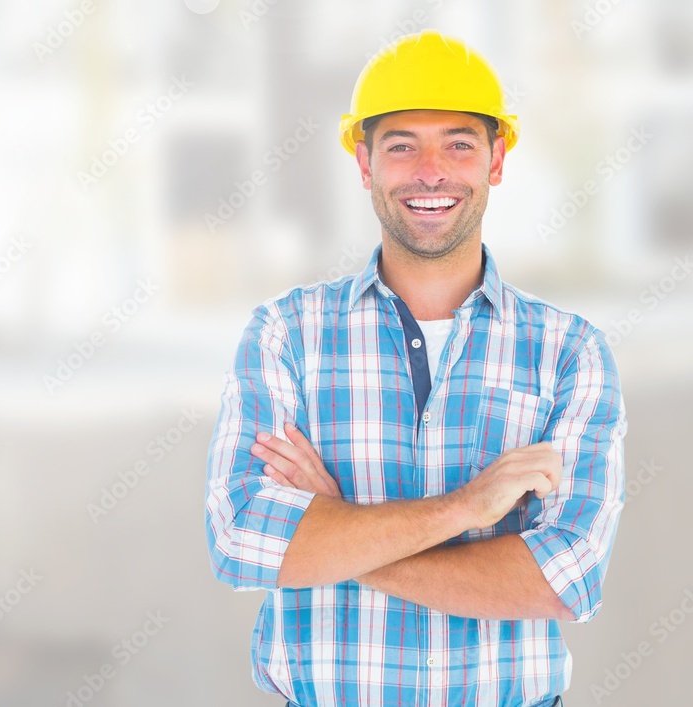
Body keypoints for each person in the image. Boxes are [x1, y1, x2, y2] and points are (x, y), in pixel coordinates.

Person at [204, 30, 625, 707]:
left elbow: (564, 580)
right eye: (402, 145)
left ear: (497, 160)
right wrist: (466, 508)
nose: (431, 170)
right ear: (364, 163)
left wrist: (336, 529)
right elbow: (242, 537)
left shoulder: (569, 351)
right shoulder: (288, 335)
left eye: (458, 143)